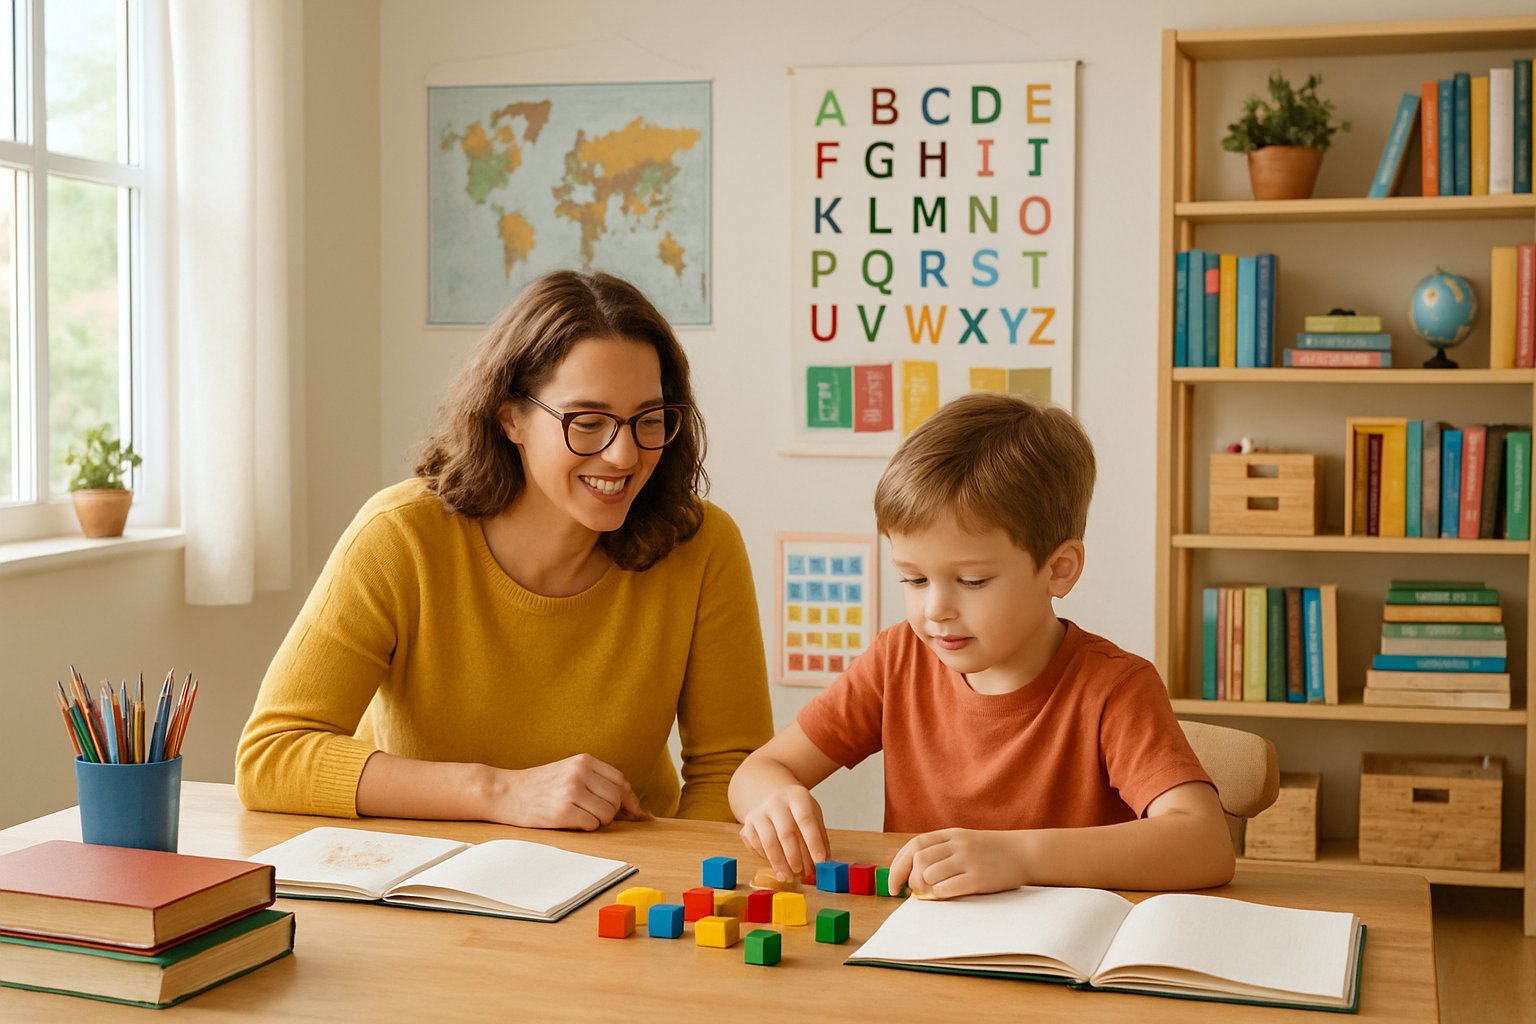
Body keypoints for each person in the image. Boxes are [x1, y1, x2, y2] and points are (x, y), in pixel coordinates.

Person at [237, 270, 773, 829]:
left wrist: (676, 889)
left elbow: (729, 772)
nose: (623, 454)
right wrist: (498, 791)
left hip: (623, 882)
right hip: (431, 879)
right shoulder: (400, 537)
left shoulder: (703, 545)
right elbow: (272, 756)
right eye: (587, 421)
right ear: (510, 417)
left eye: (649, 419)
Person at [728, 392, 1233, 896]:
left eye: (971, 581)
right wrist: (772, 799)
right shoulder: (897, 659)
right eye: (914, 580)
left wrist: (1018, 856)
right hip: (916, 948)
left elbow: (1205, 843)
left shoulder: (1114, 687)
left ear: (1058, 570)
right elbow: (760, 770)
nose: (935, 610)